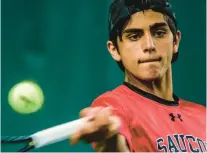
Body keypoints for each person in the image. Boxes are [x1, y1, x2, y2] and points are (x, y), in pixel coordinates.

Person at [69, 0, 206, 152]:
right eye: (134, 36)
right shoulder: (112, 105)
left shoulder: (202, 115)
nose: (149, 45)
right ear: (114, 49)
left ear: (175, 41)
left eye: (159, 33)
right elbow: (115, 142)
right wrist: (110, 138)